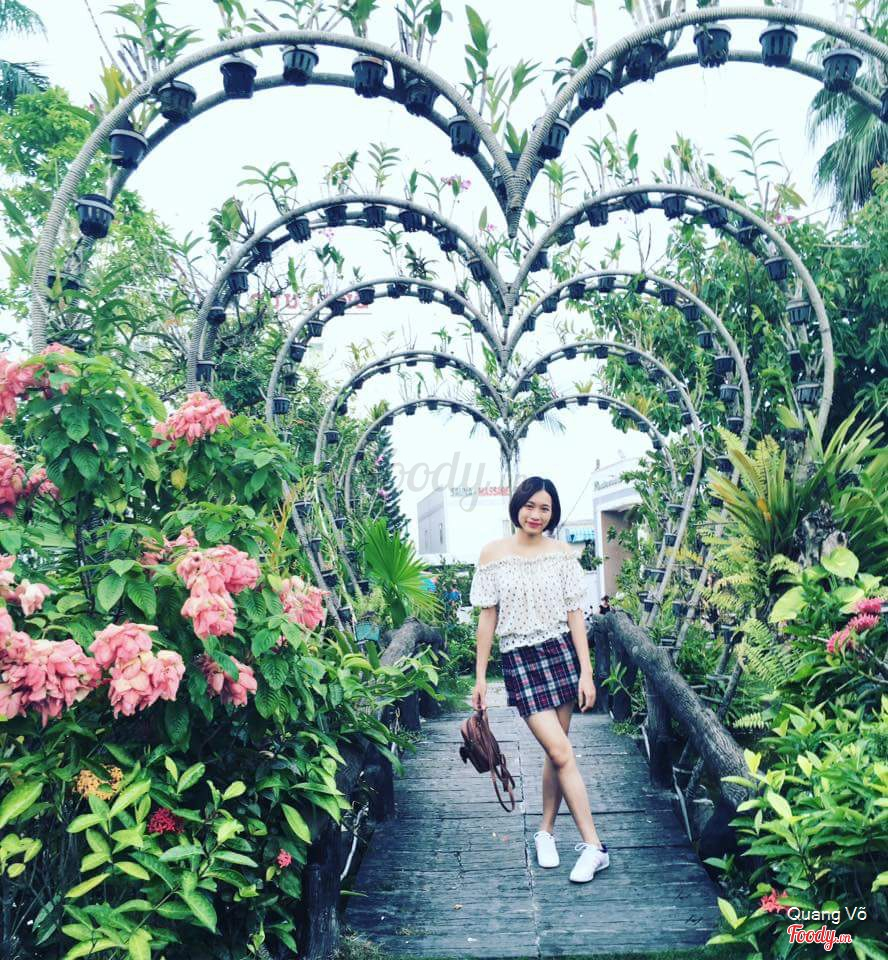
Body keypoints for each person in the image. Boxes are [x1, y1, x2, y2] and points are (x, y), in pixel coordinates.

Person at [468, 476, 609, 884]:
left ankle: (546, 832)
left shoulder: (562, 554)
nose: (536, 514)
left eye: (545, 508)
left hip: (560, 655)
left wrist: (586, 671)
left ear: (553, 513)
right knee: (560, 750)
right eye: (530, 505)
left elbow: (575, 615)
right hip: (519, 660)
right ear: (517, 505)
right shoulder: (493, 554)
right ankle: (595, 847)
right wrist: (480, 677)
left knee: (556, 752)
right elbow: (488, 617)